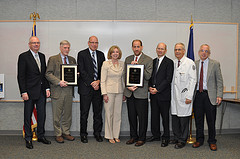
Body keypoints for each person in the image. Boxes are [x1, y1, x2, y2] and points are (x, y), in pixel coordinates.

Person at [17, 36, 51, 149]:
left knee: (42, 115)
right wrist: (23, 91)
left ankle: (41, 136)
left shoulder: (42, 56)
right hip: (29, 92)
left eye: (38, 43)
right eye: (34, 43)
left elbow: (43, 75)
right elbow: (21, 76)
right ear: (29, 44)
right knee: (28, 116)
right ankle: (28, 138)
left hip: (41, 92)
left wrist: (47, 88)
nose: (36, 44)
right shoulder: (23, 57)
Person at [192, 44, 223, 151]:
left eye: (206, 51)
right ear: (199, 52)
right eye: (202, 50)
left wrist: (219, 95)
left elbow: (219, 80)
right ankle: (199, 140)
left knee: (211, 120)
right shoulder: (194, 64)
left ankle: (212, 141)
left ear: (209, 53)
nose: (204, 53)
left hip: (210, 96)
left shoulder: (215, 64)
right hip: (197, 95)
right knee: (198, 119)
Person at [45, 40, 76, 143]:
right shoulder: (53, 59)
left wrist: (76, 75)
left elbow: (74, 74)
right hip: (57, 90)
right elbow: (48, 74)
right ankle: (58, 134)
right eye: (65, 48)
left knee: (67, 114)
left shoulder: (72, 60)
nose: (67, 50)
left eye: (68, 48)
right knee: (57, 115)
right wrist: (59, 82)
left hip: (68, 91)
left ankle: (66, 132)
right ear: (60, 48)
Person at [124, 39, 153, 147]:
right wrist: (128, 86)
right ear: (132, 48)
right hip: (130, 93)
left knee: (142, 117)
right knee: (131, 116)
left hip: (141, 94)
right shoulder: (128, 59)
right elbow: (124, 75)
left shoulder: (148, 60)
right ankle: (133, 136)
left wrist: (139, 67)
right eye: (134, 47)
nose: (136, 49)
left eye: (138, 47)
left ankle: (141, 138)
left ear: (141, 47)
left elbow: (148, 76)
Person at [77, 36, 105, 143]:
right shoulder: (82, 54)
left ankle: (97, 133)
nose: (94, 44)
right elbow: (82, 70)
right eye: (92, 42)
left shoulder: (101, 54)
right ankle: (83, 134)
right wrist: (92, 82)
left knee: (97, 113)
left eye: (96, 42)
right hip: (86, 88)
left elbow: (104, 70)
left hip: (98, 88)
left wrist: (98, 81)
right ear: (88, 43)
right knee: (84, 113)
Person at [171, 43, 196, 149]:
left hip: (184, 96)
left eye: (179, 49)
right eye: (176, 49)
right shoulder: (174, 62)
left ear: (184, 51)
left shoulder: (190, 63)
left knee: (184, 119)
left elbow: (193, 80)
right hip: (174, 96)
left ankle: (182, 139)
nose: (177, 51)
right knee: (175, 117)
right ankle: (177, 137)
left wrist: (189, 96)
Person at [147, 43, 174, 147]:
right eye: (158, 48)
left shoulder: (169, 62)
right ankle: (156, 135)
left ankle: (166, 137)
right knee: (154, 116)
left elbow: (168, 79)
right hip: (153, 95)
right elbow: (150, 76)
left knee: (165, 117)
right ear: (156, 49)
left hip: (163, 95)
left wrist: (157, 89)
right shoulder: (153, 62)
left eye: (162, 49)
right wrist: (150, 87)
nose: (160, 50)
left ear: (165, 50)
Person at [101, 45, 125, 144]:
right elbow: (102, 80)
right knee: (109, 114)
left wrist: (124, 93)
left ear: (119, 54)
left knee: (117, 114)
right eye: (113, 52)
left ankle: (116, 135)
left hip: (119, 91)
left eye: (117, 52)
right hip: (109, 92)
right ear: (110, 54)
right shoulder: (106, 64)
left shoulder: (122, 64)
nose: (115, 54)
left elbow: (123, 79)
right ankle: (109, 135)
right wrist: (104, 94)